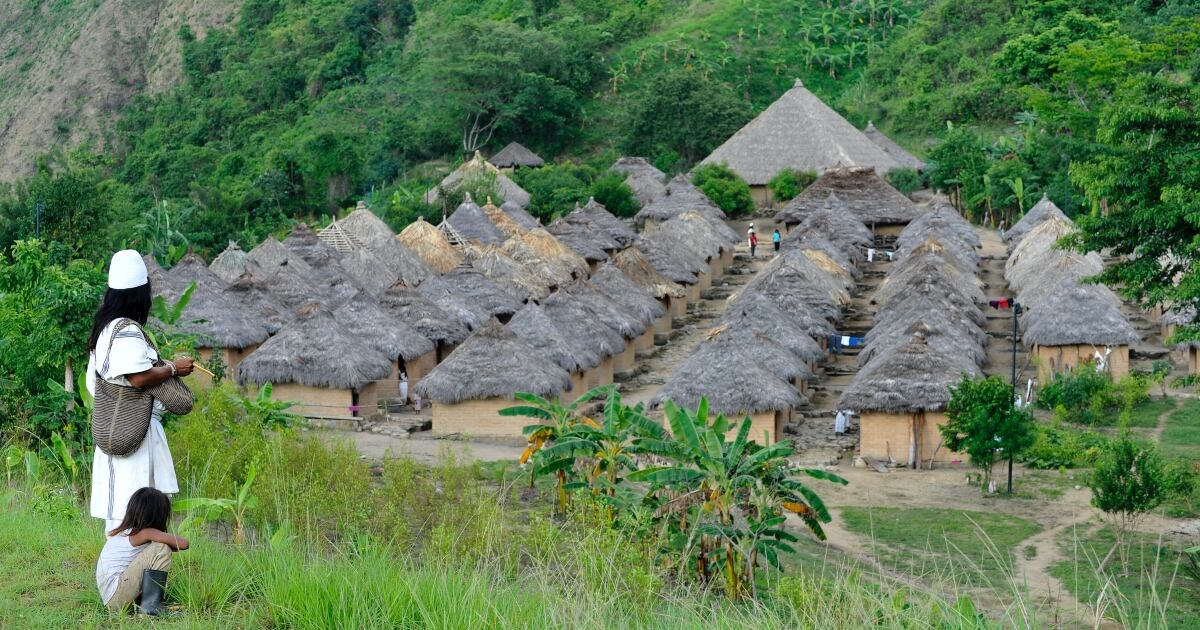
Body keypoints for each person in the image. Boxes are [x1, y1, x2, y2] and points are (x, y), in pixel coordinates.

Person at [88, 250, 193, 534]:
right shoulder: (127, 332)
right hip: (138, 435)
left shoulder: (103, 332)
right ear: (141, 295)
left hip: (113, 430)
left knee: (119, 517)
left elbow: (95, 385)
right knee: (142, 516)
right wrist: (173, 368)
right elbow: (138, 377)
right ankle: (140, 576)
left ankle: (116, 576)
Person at [96, 487, 189, 615]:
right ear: (158, 514)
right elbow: (184, 544)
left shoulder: (128, 533)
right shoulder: (145, 533)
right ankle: (151, 607)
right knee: (161, 548)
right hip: (118, 595)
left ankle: (146, 603)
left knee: (161, 546)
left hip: (113, 599)